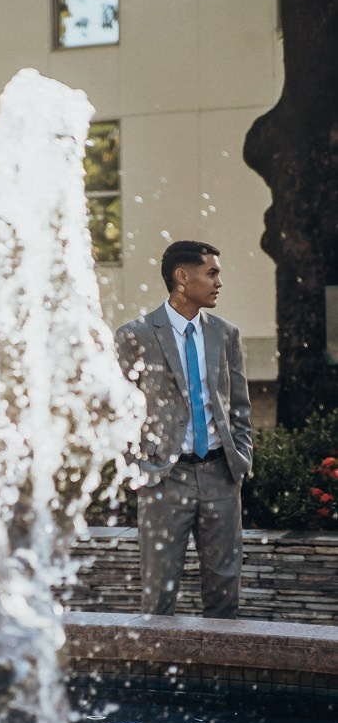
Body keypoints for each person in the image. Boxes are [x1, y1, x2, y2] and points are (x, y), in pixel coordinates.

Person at [115, 241, 252, 618]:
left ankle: (221, 676)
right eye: (211, 273)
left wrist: (240, 457)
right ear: (182, 277)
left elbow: (238, 404)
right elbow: (120, 411)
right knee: (159, 590)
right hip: (164, 478)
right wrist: (137, 468)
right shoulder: (136, 335)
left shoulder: (226, 334)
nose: (218, 282)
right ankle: (155, 676)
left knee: (225, 588)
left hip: (221, 475)